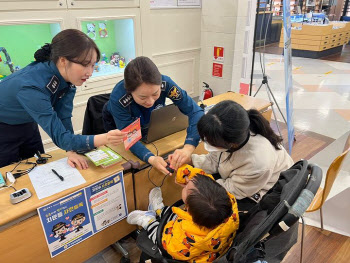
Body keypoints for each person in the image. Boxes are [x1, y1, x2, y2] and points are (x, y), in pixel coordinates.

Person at [0, 29, 125, 169]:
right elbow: (62, 138)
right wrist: (105, 138)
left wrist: (70, 151)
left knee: (37, 167)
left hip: (27, 122)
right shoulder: (31, 87)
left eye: (93, 65)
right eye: (85, 64)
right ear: (63, 61)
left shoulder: (67, 80)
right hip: (3, 128)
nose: (90, 72)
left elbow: (63, 118)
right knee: (8, 176)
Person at [189, 100, 296, 262]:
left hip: (263, 195)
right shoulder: (233, 132)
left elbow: (232, 190)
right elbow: (214, 159)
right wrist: (190, 160)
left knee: (208, 211)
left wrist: (195, 185)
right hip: (245, 181)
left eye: (212, 143)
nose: (207, 145)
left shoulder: (258, 160)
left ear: (232, 144)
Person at [102, 56, 204, 175]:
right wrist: (151, 158)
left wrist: (188, 148)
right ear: (130, 91)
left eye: (155, 94)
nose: (150, 102)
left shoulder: (166, 84)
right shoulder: (118, 98)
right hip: (118, 124)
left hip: (147, 120)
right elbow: (130, 138)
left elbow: (196, 112)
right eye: (143, 97)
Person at [127, 166, 239, 263]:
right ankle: (160, 211)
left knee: (161, 237)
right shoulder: (227, 200)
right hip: (214, 236)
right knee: (176, 215)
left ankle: (149, 221)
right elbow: (205, 179)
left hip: (182, 248)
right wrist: (185, 173)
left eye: (186, 188)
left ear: (188, 209)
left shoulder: (184, 242)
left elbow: (168, 247)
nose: (186, 183)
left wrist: (152, 227)